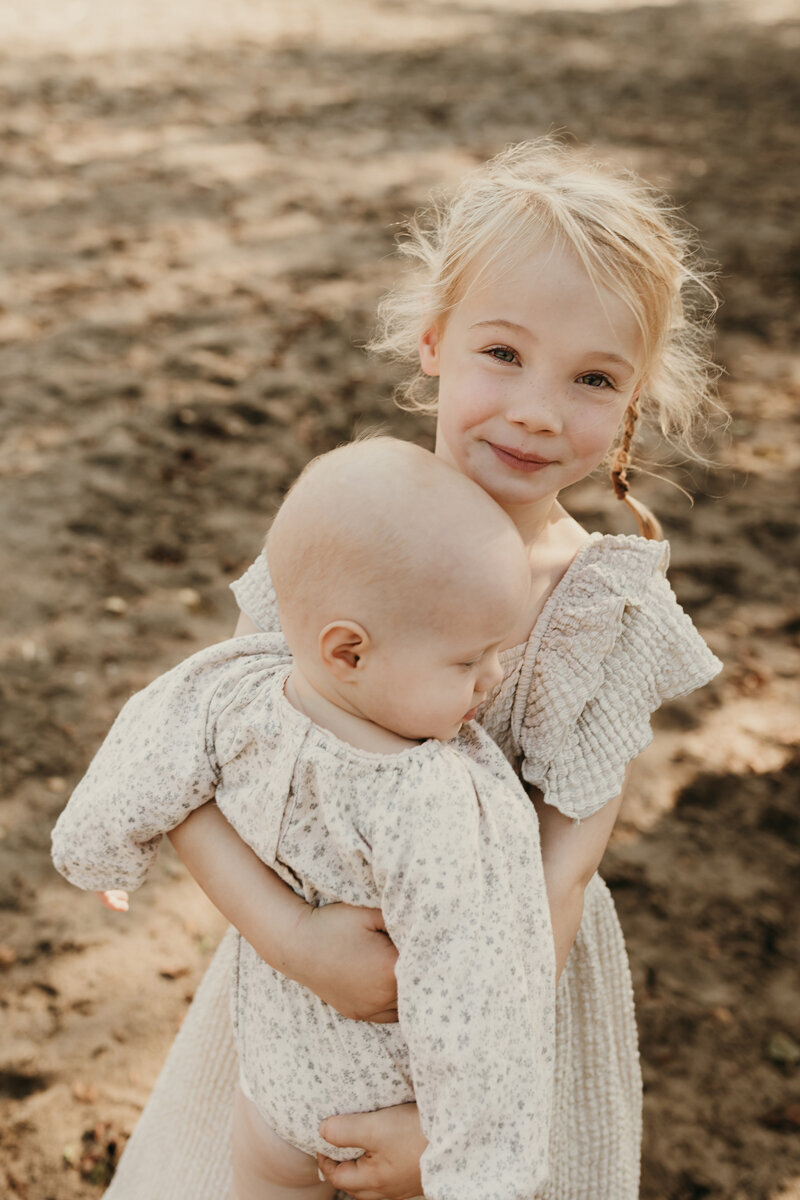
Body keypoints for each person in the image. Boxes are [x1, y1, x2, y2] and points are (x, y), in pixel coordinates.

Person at [99, 137, 723, 1200]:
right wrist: (295, 941)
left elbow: (558, 873)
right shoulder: (351, 530)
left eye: (590, 378)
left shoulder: (604, 613)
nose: (534, 408)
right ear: (433, 342)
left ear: (632, 403)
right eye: (501, 354)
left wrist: (442, 1116)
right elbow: (201, 756)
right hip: (292, 997)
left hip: (494, 1025)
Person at [52, 438, 557, 1200]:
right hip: (384, 1101)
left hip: (274, 1081)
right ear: (349, 652)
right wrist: (477, 1170)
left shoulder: (238, 688)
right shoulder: (430, 798)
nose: (493, 678)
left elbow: (151, 735)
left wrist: (101, 851)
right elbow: (473, 998)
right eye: (469, 661)